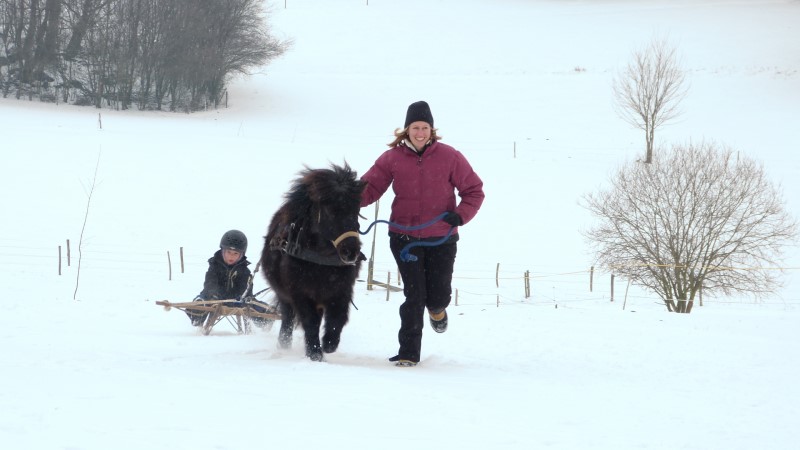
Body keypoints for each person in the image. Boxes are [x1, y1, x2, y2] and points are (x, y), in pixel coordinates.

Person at [360, 100, 485, 367]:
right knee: (414, 296)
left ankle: (437, 311)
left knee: (438, 296)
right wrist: (344, 198)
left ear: (431, 130)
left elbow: (474, 190)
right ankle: (408, 353)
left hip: (442, 237)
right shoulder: (391, 158)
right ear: (406, 129)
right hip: (404, 238)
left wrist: (460, 215)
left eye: (425, 127)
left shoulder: (450, 156)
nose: (420, 132)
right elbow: (370, 188)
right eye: (415, 127)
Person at [187, 229, 252, 326]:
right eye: (229, 252)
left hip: (235, 300)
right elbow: (210, 282)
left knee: (254, 305)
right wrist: (213, 294)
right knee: (200, 302)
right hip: (213, 296)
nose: (231, 256)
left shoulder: (244, 271)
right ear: (222, 251)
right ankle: (197, 318)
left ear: (241, 255)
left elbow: (245, 288)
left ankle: (264, 323)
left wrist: (241, 297)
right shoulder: (214, 265)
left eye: (235, 253)